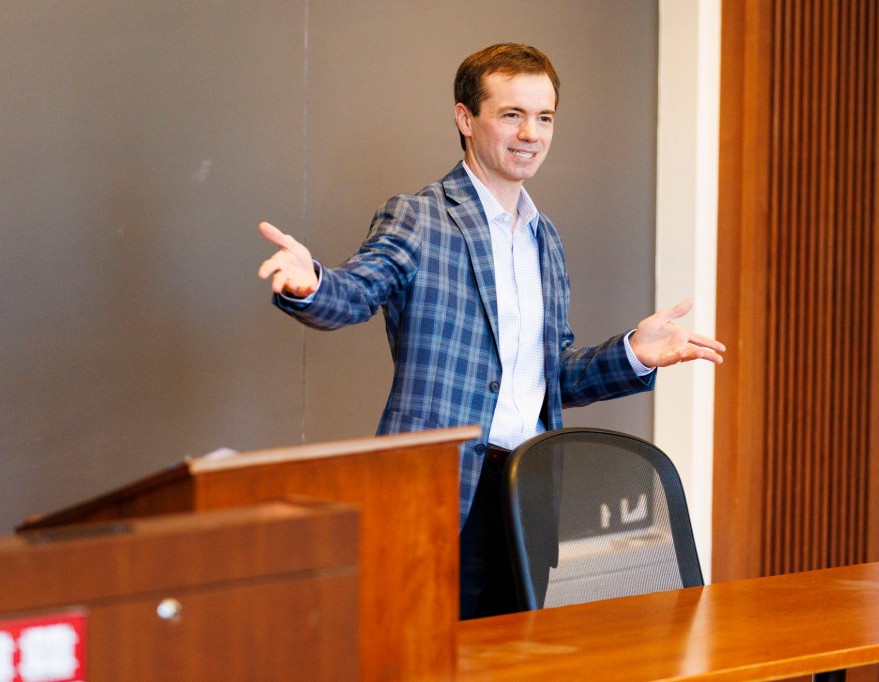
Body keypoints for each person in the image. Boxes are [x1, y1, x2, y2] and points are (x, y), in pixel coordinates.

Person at [257, 43, 725, 619]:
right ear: (465, 118)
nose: (531, 133)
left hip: (528, 494)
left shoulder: (545, 239)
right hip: (438, 494)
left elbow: (551, 378)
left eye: (544, 117)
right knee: (428, 656)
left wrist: (634, 353)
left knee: (520, 656)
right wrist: (311, 285)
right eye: (512, 114)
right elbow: (355, 292)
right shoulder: (420, 216)